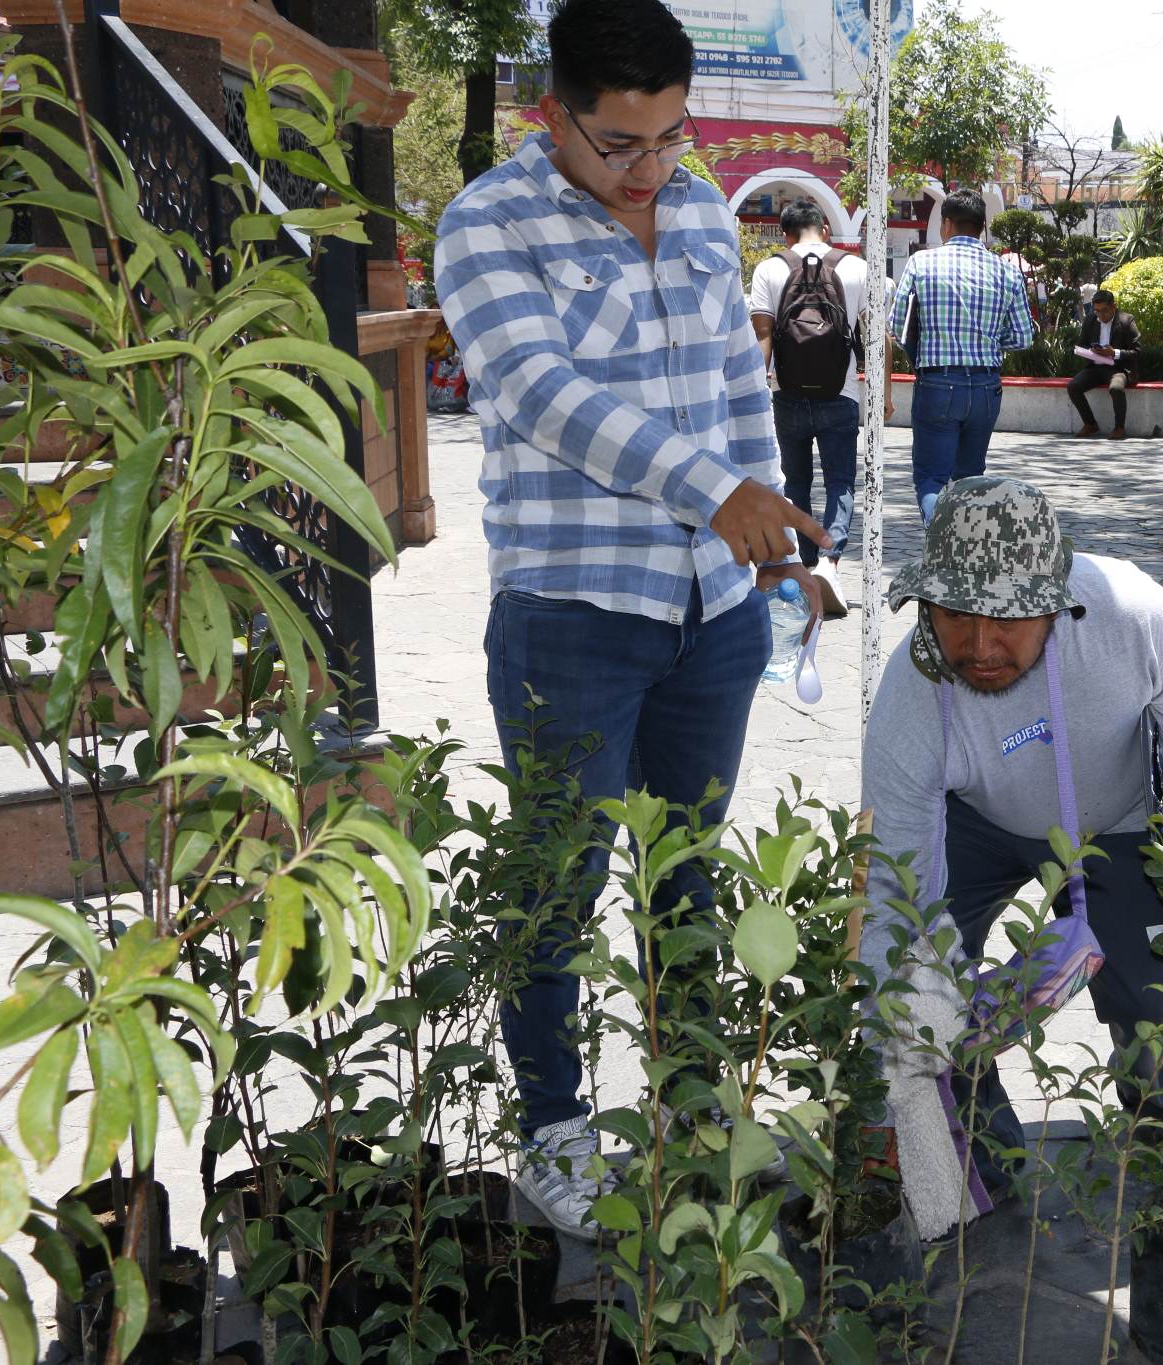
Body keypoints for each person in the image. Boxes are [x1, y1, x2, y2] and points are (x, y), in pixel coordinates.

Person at [434, 0, 826, 1238]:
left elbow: (736, 386)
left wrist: (774, 548)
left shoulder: (706, 208)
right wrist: (719, 494)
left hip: (713, 618)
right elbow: (541, 396)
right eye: (618, 144)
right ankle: (553, 1128)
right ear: (551, 114)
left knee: (690, 883)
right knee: (558, 887)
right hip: (573, 613)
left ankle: (692, 1111)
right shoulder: (487, 221)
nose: (649, 168)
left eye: (669, 136)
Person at [860, 476, 1163, 1196]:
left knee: (1160, 991)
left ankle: (1158, 1127)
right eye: (956, 616)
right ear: (927, 603)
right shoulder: (910, 701)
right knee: (924, 982)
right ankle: (979, 1149)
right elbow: (892, 887)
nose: (979, 645)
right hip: (972, 820)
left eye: (1007, 618)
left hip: (1117, 818)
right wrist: (894, 1047)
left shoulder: (1131, 614)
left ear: (1056, 605)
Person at [748, 199, 890, 618]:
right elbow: (877, 336)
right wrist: (883, 394)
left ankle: (807, 561)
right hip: (840, 393)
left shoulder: (769, 269)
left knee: (794, 483)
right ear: (825, 229)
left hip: (787, 394)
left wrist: (758, 393)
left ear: (786, 234)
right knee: (841, 481)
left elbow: (763, 337)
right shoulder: (857, 268)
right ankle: (830, 561)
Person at [891, 189, 1035, 522]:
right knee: (971, 480)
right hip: (986, 386)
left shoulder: (921, 263)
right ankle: (967, 550)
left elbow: (897, 326)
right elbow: (1023, 337)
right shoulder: (1006, 272)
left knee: (931, 478)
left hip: (937, 383)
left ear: (946, 224)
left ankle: (939, 541)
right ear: (982, 227)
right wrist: (988, 341)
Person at [1067, 287, 1141, 439]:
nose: (1101, 315)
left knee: (1116, 388)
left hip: (1119, 368)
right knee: (1073, 386)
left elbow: (1137, 352)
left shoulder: (1126, 321)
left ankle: (1119, 428)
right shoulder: (1090, 320)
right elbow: (1082, 345)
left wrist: (1114, 353)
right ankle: (1090, 424)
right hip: (1095, 367)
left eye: (1104, 310)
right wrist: (1091, 351)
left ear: (1113, 306)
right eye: (1097, 311)